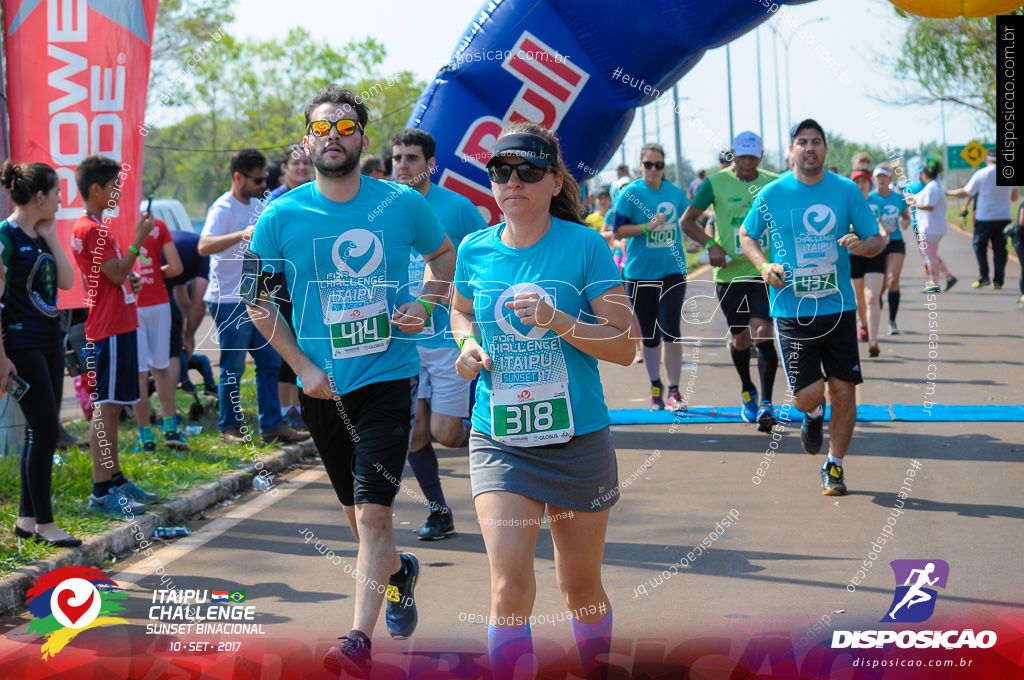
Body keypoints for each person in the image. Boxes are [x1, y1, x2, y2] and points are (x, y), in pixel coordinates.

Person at [243, 85, 455, 676]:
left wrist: (427, 302)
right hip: (322, 389)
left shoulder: (400, 205)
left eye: (345, 128)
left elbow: (443, 257)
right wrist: (303, 366)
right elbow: (256, 301)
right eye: (321, 128)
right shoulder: (278, 217)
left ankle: (357, 639)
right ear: (307, 139)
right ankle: (398, 574)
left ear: (362, 139)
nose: (332, 138)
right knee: (355, 514)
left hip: (388, 377)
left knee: (374, 517)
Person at [451, 122, 633, 680]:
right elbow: (459, 310)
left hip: (578, 439)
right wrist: (467, 344)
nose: (513, 181)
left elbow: (625, 346)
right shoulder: (474, 249)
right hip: (500, 439)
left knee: (580, 587)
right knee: (508, 586)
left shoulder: (584, 246)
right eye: (501, 171)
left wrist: (558, 320)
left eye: (529, 171)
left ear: (555, 181)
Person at [739, 119, 884, 496]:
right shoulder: (771, 194)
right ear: (790, 151)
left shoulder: (847, 191)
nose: (809, 148)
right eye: (801, 142)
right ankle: (814, 415)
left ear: (825, 149)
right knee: (808, 395)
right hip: (791, 310)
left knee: (844, 389)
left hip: (837, 308)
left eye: (816, 142)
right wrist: (762, 265)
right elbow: (747, 235)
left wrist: (862, 246)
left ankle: (834, 466)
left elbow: (875, 240)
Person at [392, 127, 488, 540]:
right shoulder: (384, 208)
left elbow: (484, 262)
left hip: (448, 337)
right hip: (404, 343)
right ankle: (439, 511)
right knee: (413, 432)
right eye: (397, 158)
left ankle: (503, 446)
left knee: (446, 434)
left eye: (411, 158)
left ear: (431, 164)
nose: (402, 165)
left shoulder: (458, 207)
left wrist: (478, 319)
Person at [198, 149, 308, 445]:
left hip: (255, 298)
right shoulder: (223, 207)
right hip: (227, 299)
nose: (263, 185)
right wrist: (240, 234)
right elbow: (204, 245)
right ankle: (228, 427)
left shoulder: (258, 204)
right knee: (233, 366)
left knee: (270, 361)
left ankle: (272, 425)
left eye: (265, 179)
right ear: (238, 177)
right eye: (258, 180)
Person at [70, 155, 159, 514]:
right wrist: (138, 239)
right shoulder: (92, 229)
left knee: (115, 405)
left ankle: (115, 477)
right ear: (95, 189)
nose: (118, 194)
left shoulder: (93, 226)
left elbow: (115, 278)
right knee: (105, 409)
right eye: (113, 188)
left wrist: (127, 278)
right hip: (109, 328)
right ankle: (101, 489)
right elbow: (118, 273)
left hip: (118, 323)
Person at [0, 160, 79, 546]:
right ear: (40, 195)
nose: (62, 200)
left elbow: (66, 281)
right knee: (46, 430)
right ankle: (46, 523)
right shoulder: (6, 237)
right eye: (58, 192)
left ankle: (28, 519)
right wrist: (2, 357)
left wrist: (50, 238)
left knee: (39, 431)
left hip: (50, 340)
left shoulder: (40, 234)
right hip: (21, 343)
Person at [681, 131, 779, 430]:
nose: (748, 161)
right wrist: (711, 245)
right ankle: (748, 388)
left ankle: (767, 404)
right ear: (733, 155)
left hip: (762, 269)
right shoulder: (715, 182)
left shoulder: (773, 182)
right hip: (728, 274)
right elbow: (687, 221)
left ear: (760, 157)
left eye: (753, 156)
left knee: (763, 332)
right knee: (740, 338)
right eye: (743, 155)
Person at [612, 143, 690, 410]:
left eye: (658, 165)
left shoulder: (675, 193)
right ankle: (656, 385)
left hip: (672, 270)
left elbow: (690, 220)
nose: (653, 170)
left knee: (671, 329)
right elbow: (618, 230)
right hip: (639, 274)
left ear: (663, 167)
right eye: (648, 165)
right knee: (650, 334)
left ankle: (675, 391)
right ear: (640, 166)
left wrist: (701, 240)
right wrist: (646, 226)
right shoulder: (630, 194)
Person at [265, 144, 313, 431]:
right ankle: (287, 409)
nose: (302, 168)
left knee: (306, 342)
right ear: (284, 168)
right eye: (296, 164)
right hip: (283, 281)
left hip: (310, 281)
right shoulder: (275, 201)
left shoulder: (314, 195)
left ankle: (300, 405)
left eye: (307, 163)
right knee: (288, 345)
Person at [131, 217, 186, 450]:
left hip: (131, 304)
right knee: (161, 368)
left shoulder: (116, 225)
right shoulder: (157, 224)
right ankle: (171, 428)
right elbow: (176, 267)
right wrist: (154, 271)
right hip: (159, 302)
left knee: (139, 373)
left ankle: (146, 437)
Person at [946, 148, 1020, 289]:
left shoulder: (981, 174)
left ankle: (984, 276)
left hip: (984, 218)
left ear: (987, 160)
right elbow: (1015, 197)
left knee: (979, 246)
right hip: (1004, 217)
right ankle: (998, 281)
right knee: (1000, 249)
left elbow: (966, 192)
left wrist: (947, 193)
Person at [164, 229, 213, 394]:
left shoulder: (188, 249)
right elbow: (198, 306)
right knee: (175, 348)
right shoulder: (205, 253)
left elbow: (184, 303)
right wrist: (189, 337)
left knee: (174, 329)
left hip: (155, 268)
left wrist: (184, 334)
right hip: (160, 274)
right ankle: (183, 381)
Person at [868, 166, 911, 335]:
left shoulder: (899, 198)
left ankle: (892, 321)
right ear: (874, 179)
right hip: (876, 244)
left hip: (895, 243)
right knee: (879, 286)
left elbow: (906, 219)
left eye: (884, 177)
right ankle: (874, 314)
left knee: (892, 280)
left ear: (890, 179)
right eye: (878, 176)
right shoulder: (868, 198)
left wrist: (903, 222)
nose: (881, 180)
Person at [848, 169, 886, 357]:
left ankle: (873, 340)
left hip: (875, 253)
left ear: (870, 184)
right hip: (854, 254)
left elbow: (880, 223)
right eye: (857, 181)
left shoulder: (877, 202)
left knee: (872, 296)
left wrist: (884, 233)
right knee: (859, 300)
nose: (861, 184)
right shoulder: (848, 203)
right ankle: (862, 324)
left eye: (864, 181)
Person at [912, 158, 957, 294]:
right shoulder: (934, 186)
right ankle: (949, 277)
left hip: (930, 228)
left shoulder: (933, 187)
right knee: (931, 255)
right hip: (931, 227)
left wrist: (913, 204)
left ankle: (934, 283)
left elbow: (929, 206)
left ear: (925, 173)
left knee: (929, 256)